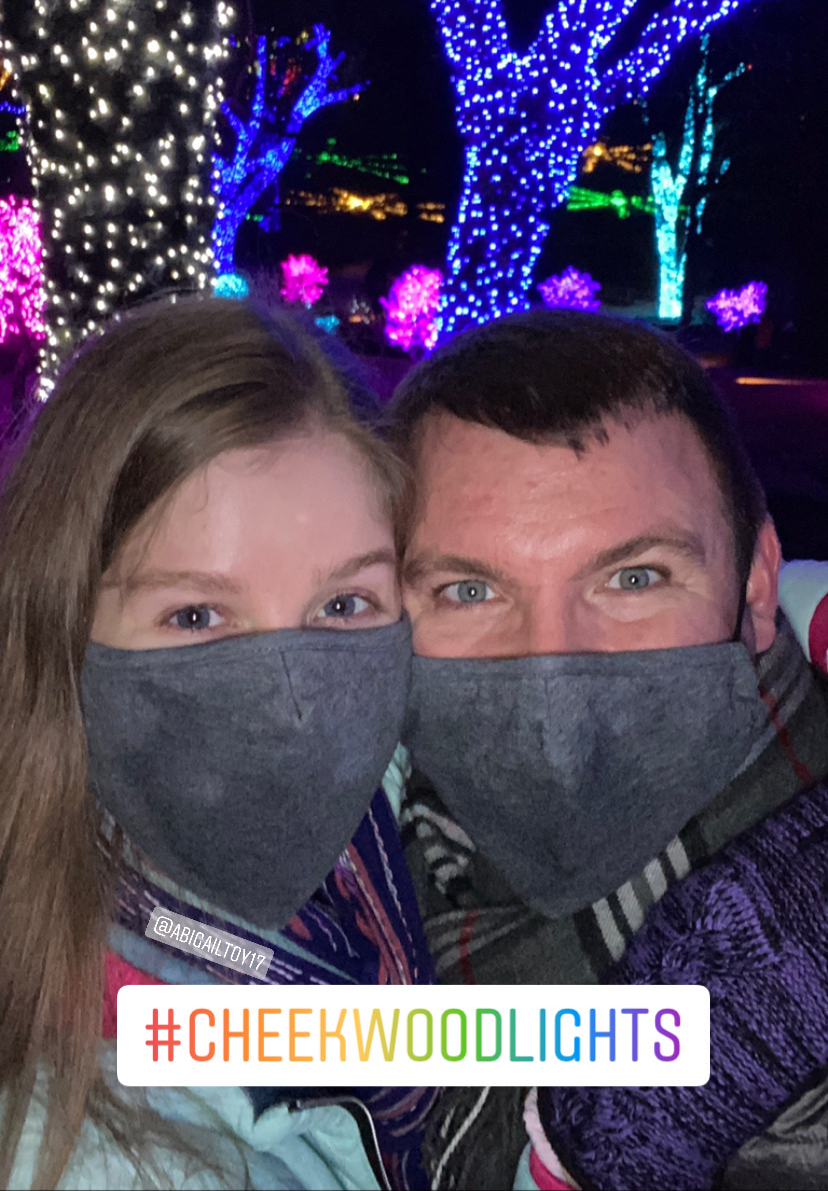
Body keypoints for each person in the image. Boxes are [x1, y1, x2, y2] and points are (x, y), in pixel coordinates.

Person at [386, 309, 828, 1189]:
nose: (554, 666)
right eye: (470, 590)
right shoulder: (344, 883)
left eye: (634, 578)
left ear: (755, 580)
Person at [0, 296, 433, 1191]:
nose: (293, 708)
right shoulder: (84, 1148)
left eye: (343, 606)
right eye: (197, 615)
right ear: (62, 629)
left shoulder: (389, 832)